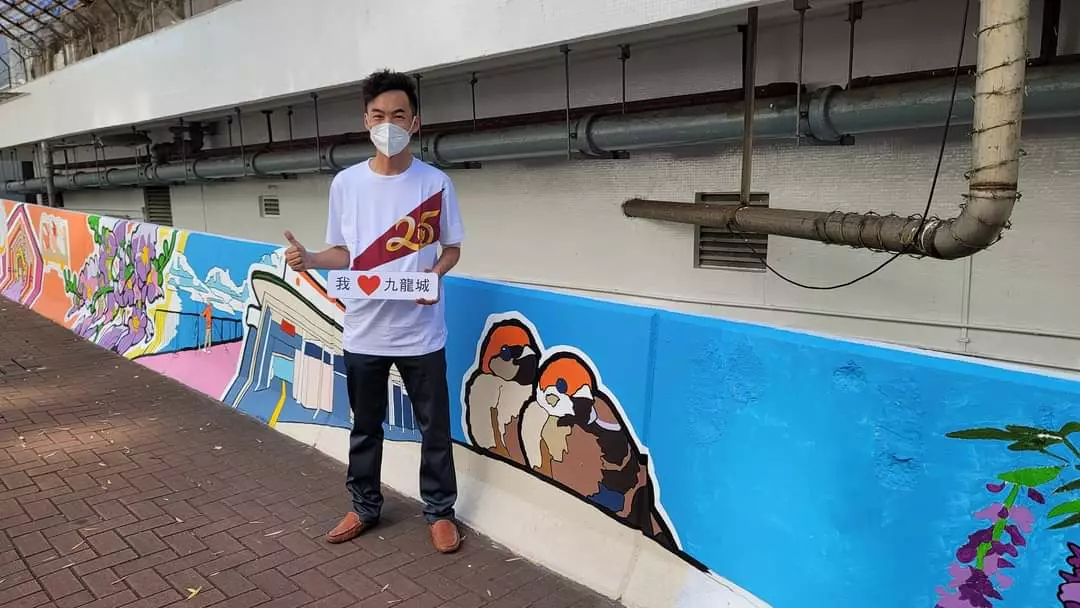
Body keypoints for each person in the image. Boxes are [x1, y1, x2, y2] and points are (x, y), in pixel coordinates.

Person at [283, 69, 465, 554]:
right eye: (379, 115)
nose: (389, 125)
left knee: (434, 428)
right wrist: (311, 259)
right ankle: (364, 506)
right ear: (366, 120)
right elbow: (343, 253)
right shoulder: (346, 184)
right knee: (365, 426)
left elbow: (451, 248)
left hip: (422, 333)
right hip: (363, 331)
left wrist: (435, 275)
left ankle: (440, 511)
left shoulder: (436, 183)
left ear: (415, 122)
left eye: (398, 115)